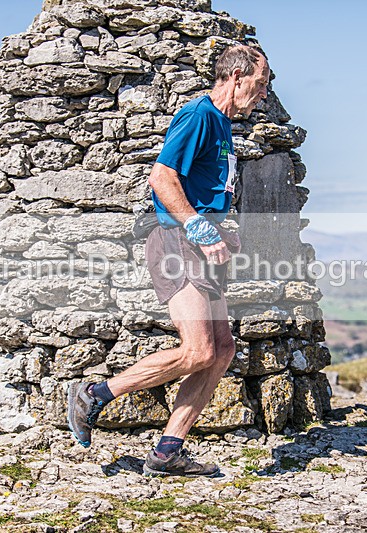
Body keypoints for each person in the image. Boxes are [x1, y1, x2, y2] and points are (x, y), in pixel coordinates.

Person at [67, 44, 270, 477]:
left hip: (204, 247)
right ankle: (96, 393)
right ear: (236, 77)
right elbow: (162, 177)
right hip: (178, 243)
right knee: (198, 350)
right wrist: (197, 226)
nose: (264, 93)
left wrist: (219, 228)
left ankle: (166, 452)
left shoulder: (223, 125)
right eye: (261, 82)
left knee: (221, 352)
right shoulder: (199, 115)